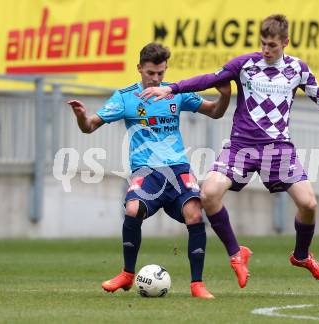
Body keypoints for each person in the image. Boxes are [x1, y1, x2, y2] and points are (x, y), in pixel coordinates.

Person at [141, 15, 319, 285]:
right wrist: (171, 89)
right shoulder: (244, 65)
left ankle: (301, 256)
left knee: (309, 204)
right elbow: (209, 79)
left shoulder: (297, 69)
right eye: (263, 44)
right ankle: (236, 253)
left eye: (273, 46)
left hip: (278, 149)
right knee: (208, 193)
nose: (266, 50)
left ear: (286, 43)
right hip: (241, 146)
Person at [67, 43, 232, 299]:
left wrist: (225, 97)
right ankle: (127, 275)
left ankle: (197, 284)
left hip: (178, 170)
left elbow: (215, 112)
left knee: (195, 213)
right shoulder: (125, 97)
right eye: (151, 73)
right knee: (132, 209)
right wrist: (81, 116)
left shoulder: (176, 93)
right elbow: (89, 126)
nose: (156, 79)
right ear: (140, 69)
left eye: (161, 73)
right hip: (146, 172)